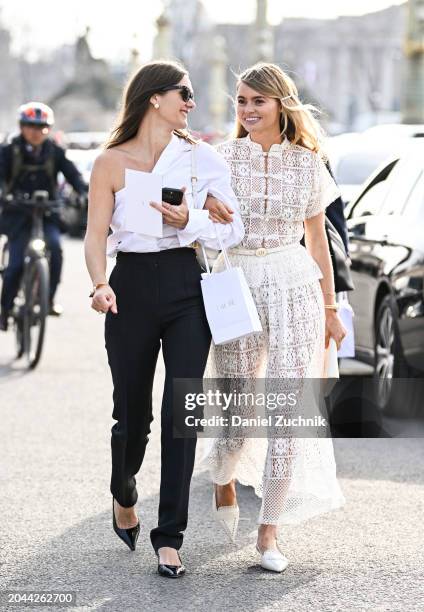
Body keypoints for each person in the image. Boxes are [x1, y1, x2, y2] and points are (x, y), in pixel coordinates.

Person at [84, 60, 244, 578]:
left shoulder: (202, 159)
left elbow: (232, 228)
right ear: (155, 97)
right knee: (132, 414)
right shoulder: (109, 162)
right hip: (128, 285)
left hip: (185, 286)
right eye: (185, 93)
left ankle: (169, 537)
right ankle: (123, 489)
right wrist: (99, 284)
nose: (191, 103)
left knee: (184, 411)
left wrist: (191, 219)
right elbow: (94, 235)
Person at [203, 63, 347, 572]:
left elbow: (318, 240)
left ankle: (269, 535)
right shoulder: (219, 159)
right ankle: (224, 476)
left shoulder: (309, 162)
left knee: (286, 411)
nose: (247, 110)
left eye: (257, 101)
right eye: (241, 101)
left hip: (293, 283)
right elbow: (202, 229)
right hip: (236, 281)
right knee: (238, 408)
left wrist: (331, 307)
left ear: (281, 104)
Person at [0, 102, 87, 331]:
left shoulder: (55, 152)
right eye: (30, 126)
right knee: (15, 264)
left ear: (48, 129)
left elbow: (73, 175)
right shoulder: (9, 150)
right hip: (18, 214)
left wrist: (83, 192)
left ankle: (47, 300)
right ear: (21, 126)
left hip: (47, 213)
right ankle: (5, 309)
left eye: (41, 127)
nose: (36, 131)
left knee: (56, 250)